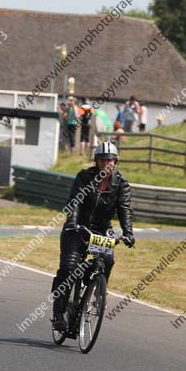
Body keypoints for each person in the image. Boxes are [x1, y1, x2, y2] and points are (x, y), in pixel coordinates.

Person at [50, 142, 134, 332]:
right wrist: (72, 222)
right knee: (68, 268)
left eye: (110, 160)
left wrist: (128, 232)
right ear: (96, 161)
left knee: (107, 261)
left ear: (116, 161)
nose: (106, 164)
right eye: (102, 160)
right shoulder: (84, 177)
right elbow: (74, 202)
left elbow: (124, 209)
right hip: (78, 228)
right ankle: (58, 314)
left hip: (102, 231)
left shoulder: (121, 183)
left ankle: (95, 292)